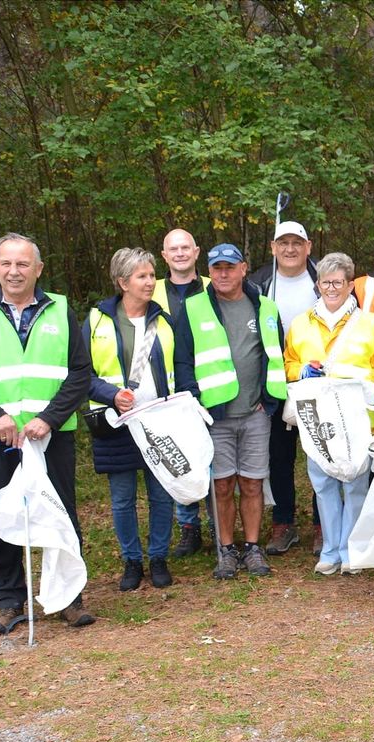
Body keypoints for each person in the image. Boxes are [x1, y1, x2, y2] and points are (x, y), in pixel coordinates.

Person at [0, 232, 95, 634]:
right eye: (6, 263)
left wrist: (51, 417)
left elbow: (80, 373)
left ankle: (68, 598)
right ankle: (10, 601)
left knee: (60, 513)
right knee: (3, 517)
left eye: (23, 264)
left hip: (51, 435)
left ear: (38, 269)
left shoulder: (60, 311)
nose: (14, 271)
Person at [175, 243, 286, 580]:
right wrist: (194, 401)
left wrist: (268, 400)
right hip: (215, 415)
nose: (223, 273)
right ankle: (226, 550)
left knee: (252, 484)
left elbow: (274, 352)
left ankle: (252, 548)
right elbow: (183, 360)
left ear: (243, 268)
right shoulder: (194, 308)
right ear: (210, 271)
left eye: (229, 267)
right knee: (221, 486)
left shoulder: (265, 307)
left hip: (254, 414)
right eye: (216, 268)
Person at [84, 247, 191, 591]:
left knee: (162, 494)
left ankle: (158, 557)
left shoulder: (163, 320)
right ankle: (132, 561)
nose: (150, 282)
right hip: (116, 423)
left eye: (151, 275)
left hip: (159, 422)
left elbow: (183, 366)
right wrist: (110, 395)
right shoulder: (96, 321)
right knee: (122, 498)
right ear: (122, 282)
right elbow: (80, 374)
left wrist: (189, 403)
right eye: (142, 276)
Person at [283, 252, 374, 575]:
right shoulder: (300, 323)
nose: (332, 288)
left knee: (355, 484)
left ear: (349, 286)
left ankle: (351, 550)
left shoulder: (369, 323)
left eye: (339, 282)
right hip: (316, 417)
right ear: (318, 285)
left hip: (355, 417)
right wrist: (301, 370)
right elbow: (288, 362)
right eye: (326, 282)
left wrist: (362, 382)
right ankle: (330, 550)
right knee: (324, 483)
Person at [252, 220, 320, 557]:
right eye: (284, 242)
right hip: (278, 381)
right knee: (279, 456)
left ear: (308, 247)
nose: (290, 249)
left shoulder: (323, 278)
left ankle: (323, 525)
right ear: (273, 247)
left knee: (321, 453)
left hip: (318, 383)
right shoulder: (260, 283)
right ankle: (284, 522)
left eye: (297, 242)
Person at [157, 228, 212, 558]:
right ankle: (188, 526)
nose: (179, 253)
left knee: (208, 454)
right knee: (178, 456)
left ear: (196, 252)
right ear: (164, 256)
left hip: (207, 383)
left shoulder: (211, 286)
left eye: (185, 247)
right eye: (172, 249)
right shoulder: (153, 290)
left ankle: (217, 522)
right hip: (166, 388)